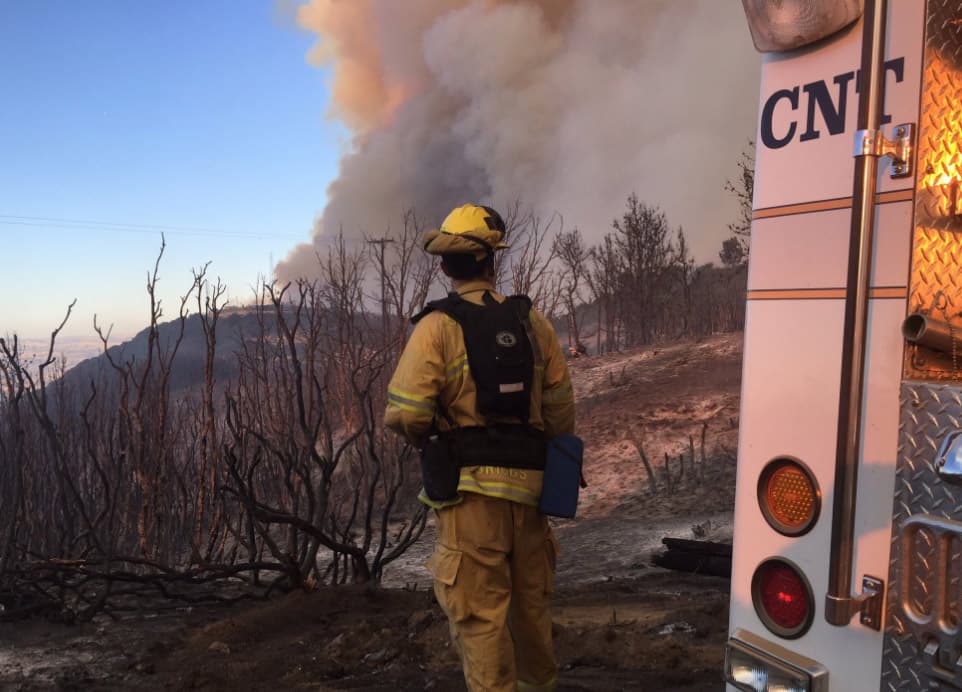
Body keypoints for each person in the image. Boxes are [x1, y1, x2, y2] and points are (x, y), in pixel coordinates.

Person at [384, 203, 575, 692]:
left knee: (482, 617)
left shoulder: (436, 327)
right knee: (532, 609)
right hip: (532, 498)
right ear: (495, 261)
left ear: (446, 265)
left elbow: (407, 413)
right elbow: (559, 414)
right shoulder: (535, 324)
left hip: (470, 500)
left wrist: (432, 435)